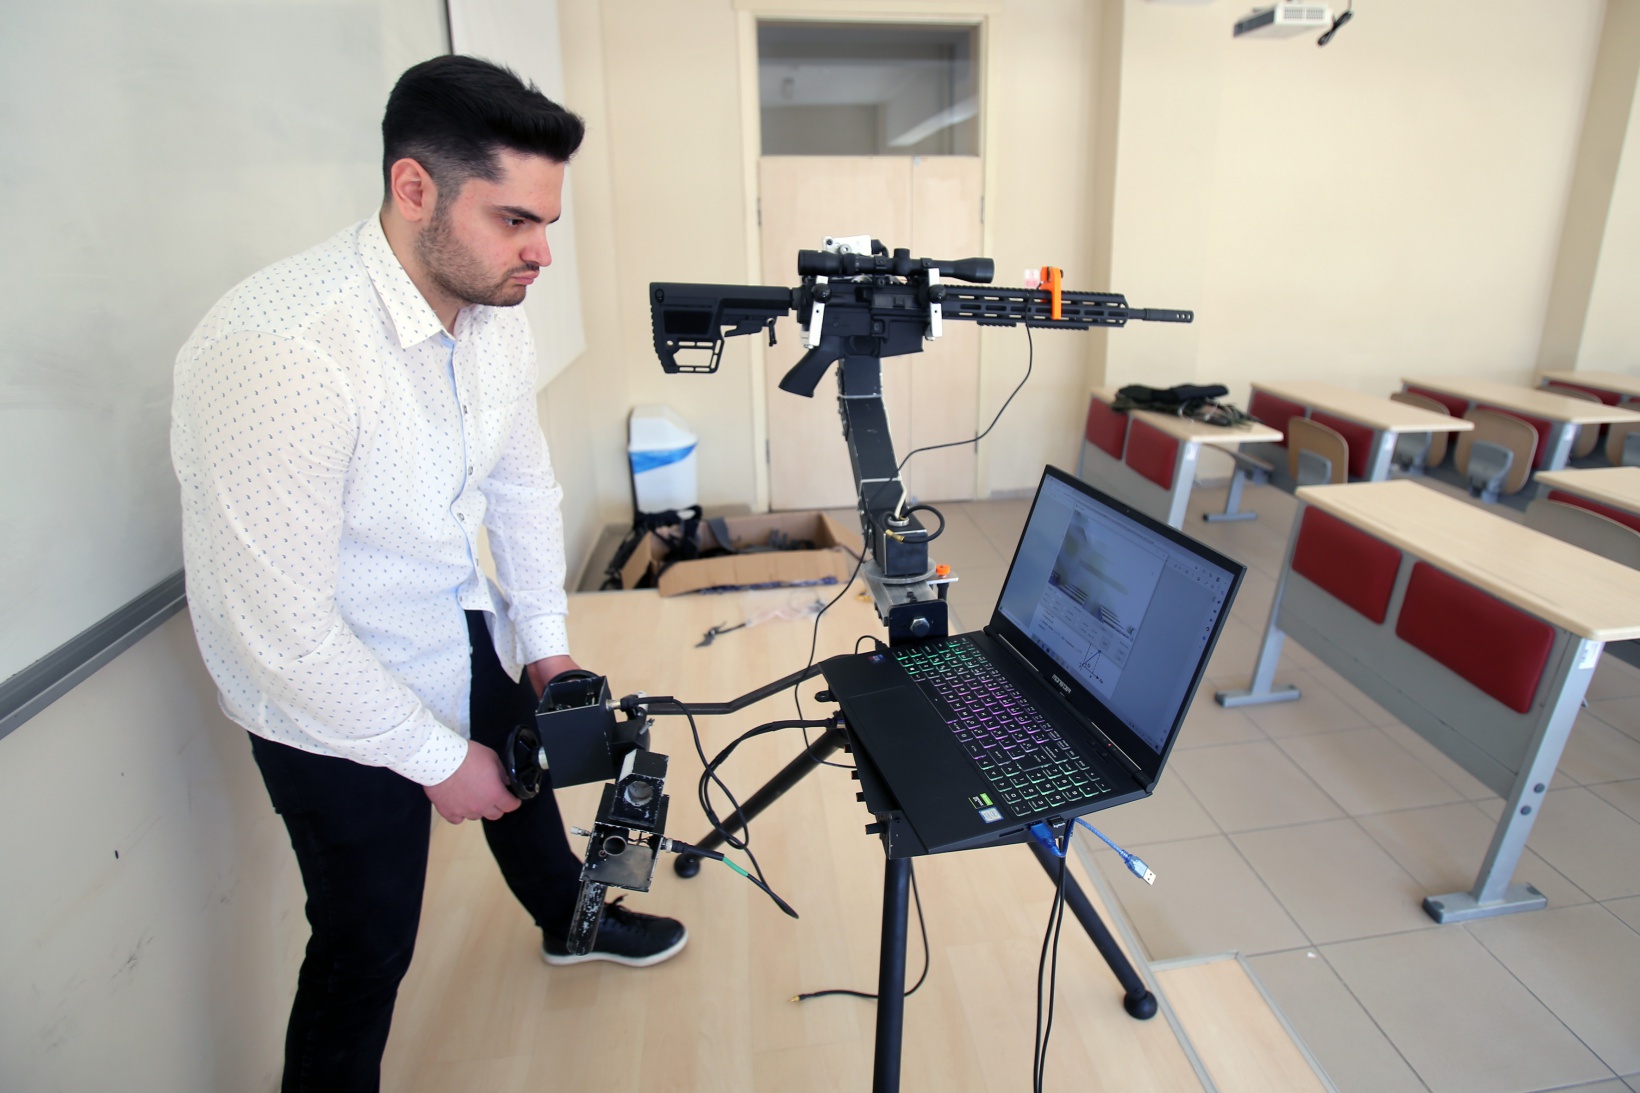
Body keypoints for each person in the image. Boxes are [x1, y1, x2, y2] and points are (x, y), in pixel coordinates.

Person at [171, 55, 685, 1092]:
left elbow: (521, 488)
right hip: (322, 692)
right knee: (366, 938)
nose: (541, 252)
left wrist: (545, 649)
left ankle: (572, 919)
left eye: (548, 221)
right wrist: (437, 762)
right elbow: (280, 633)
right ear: (414, 189)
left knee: (525, 779)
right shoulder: (281, 349)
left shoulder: (494, 311)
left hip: (454, 615)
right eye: (514, 220)